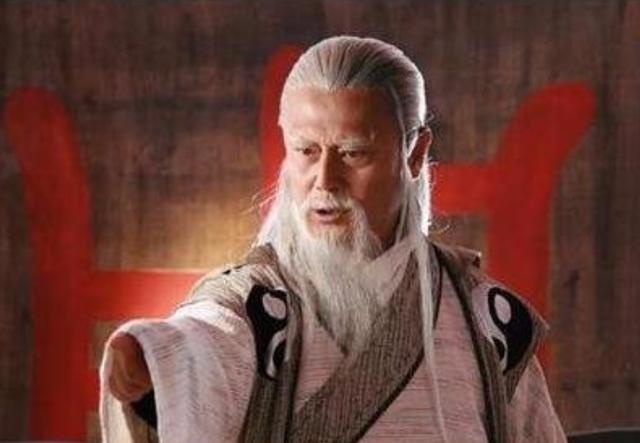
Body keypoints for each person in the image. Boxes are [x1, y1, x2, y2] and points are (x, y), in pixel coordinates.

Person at [100, 35, 566, 442]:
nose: (325, 180)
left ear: (414, 153)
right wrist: (152, 359)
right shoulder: (254, 307)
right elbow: (205, 338)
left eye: (353, 153)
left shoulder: (487, 322)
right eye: (306, 151)